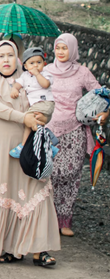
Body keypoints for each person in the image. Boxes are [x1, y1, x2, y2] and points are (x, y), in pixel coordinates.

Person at [0, 40, 60, 267]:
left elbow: (44, 102)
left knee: (35, 190)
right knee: (5, 193)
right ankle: (7, 247)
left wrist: (42, 118)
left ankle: (39, 250)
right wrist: (22, 117)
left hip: (27, 145)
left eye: (10, 55)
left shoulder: (28, 78)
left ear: (17, 58)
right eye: (2, 55)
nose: (6, 60)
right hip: (0, 149)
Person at [44, 34, 108, 237]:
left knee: (71, 176)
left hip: (75, 130)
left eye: (65, 48)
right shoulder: (46, 71)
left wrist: (104, 113)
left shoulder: (82, 72)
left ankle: (65, 221)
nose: (61, 52)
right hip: (49, 129)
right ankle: (47, 218)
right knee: (50, 174)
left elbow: (101, 94)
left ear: (72, 50)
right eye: (58, 48)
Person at [9, 47, 55, 151]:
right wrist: (14, 90)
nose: (35, 65)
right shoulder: (24, 76)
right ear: (25, 66)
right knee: (36, 125)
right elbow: (18, 84)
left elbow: (45, 84)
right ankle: (49, 143)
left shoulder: (45, 74)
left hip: (44, 103)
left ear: (44, 63)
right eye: (32, 63)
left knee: (28, 119)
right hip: (36, 105)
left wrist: (37, 74)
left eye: (39, 62)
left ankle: (23, 146)